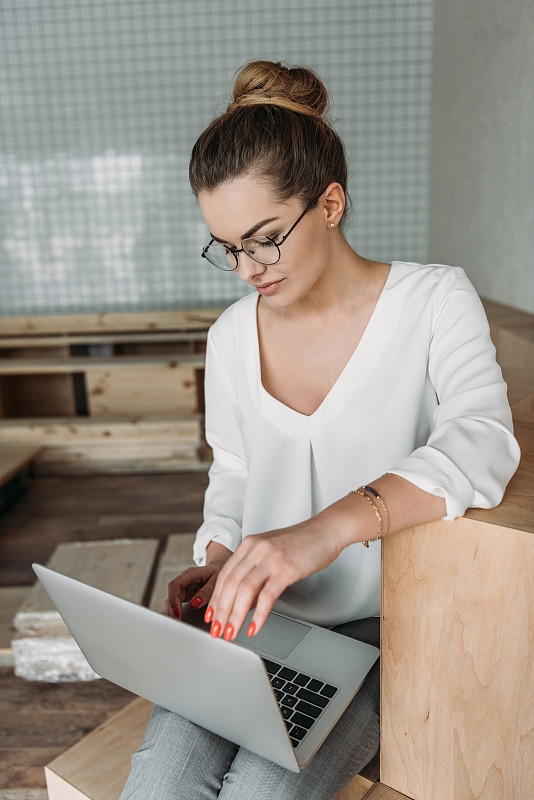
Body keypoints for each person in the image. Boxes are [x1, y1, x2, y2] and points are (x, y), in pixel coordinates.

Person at [120, 60, 520, 800]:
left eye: (264, 237)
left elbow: (485, 440)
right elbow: (234, 472)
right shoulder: (231, 335)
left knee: (259, 792)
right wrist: (218, 557)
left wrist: (321, 531)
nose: (246, 268)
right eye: (227, 247)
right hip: (251, 621)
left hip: (374, 631)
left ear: (330, 203)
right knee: (155, 789)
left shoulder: (434, 300)